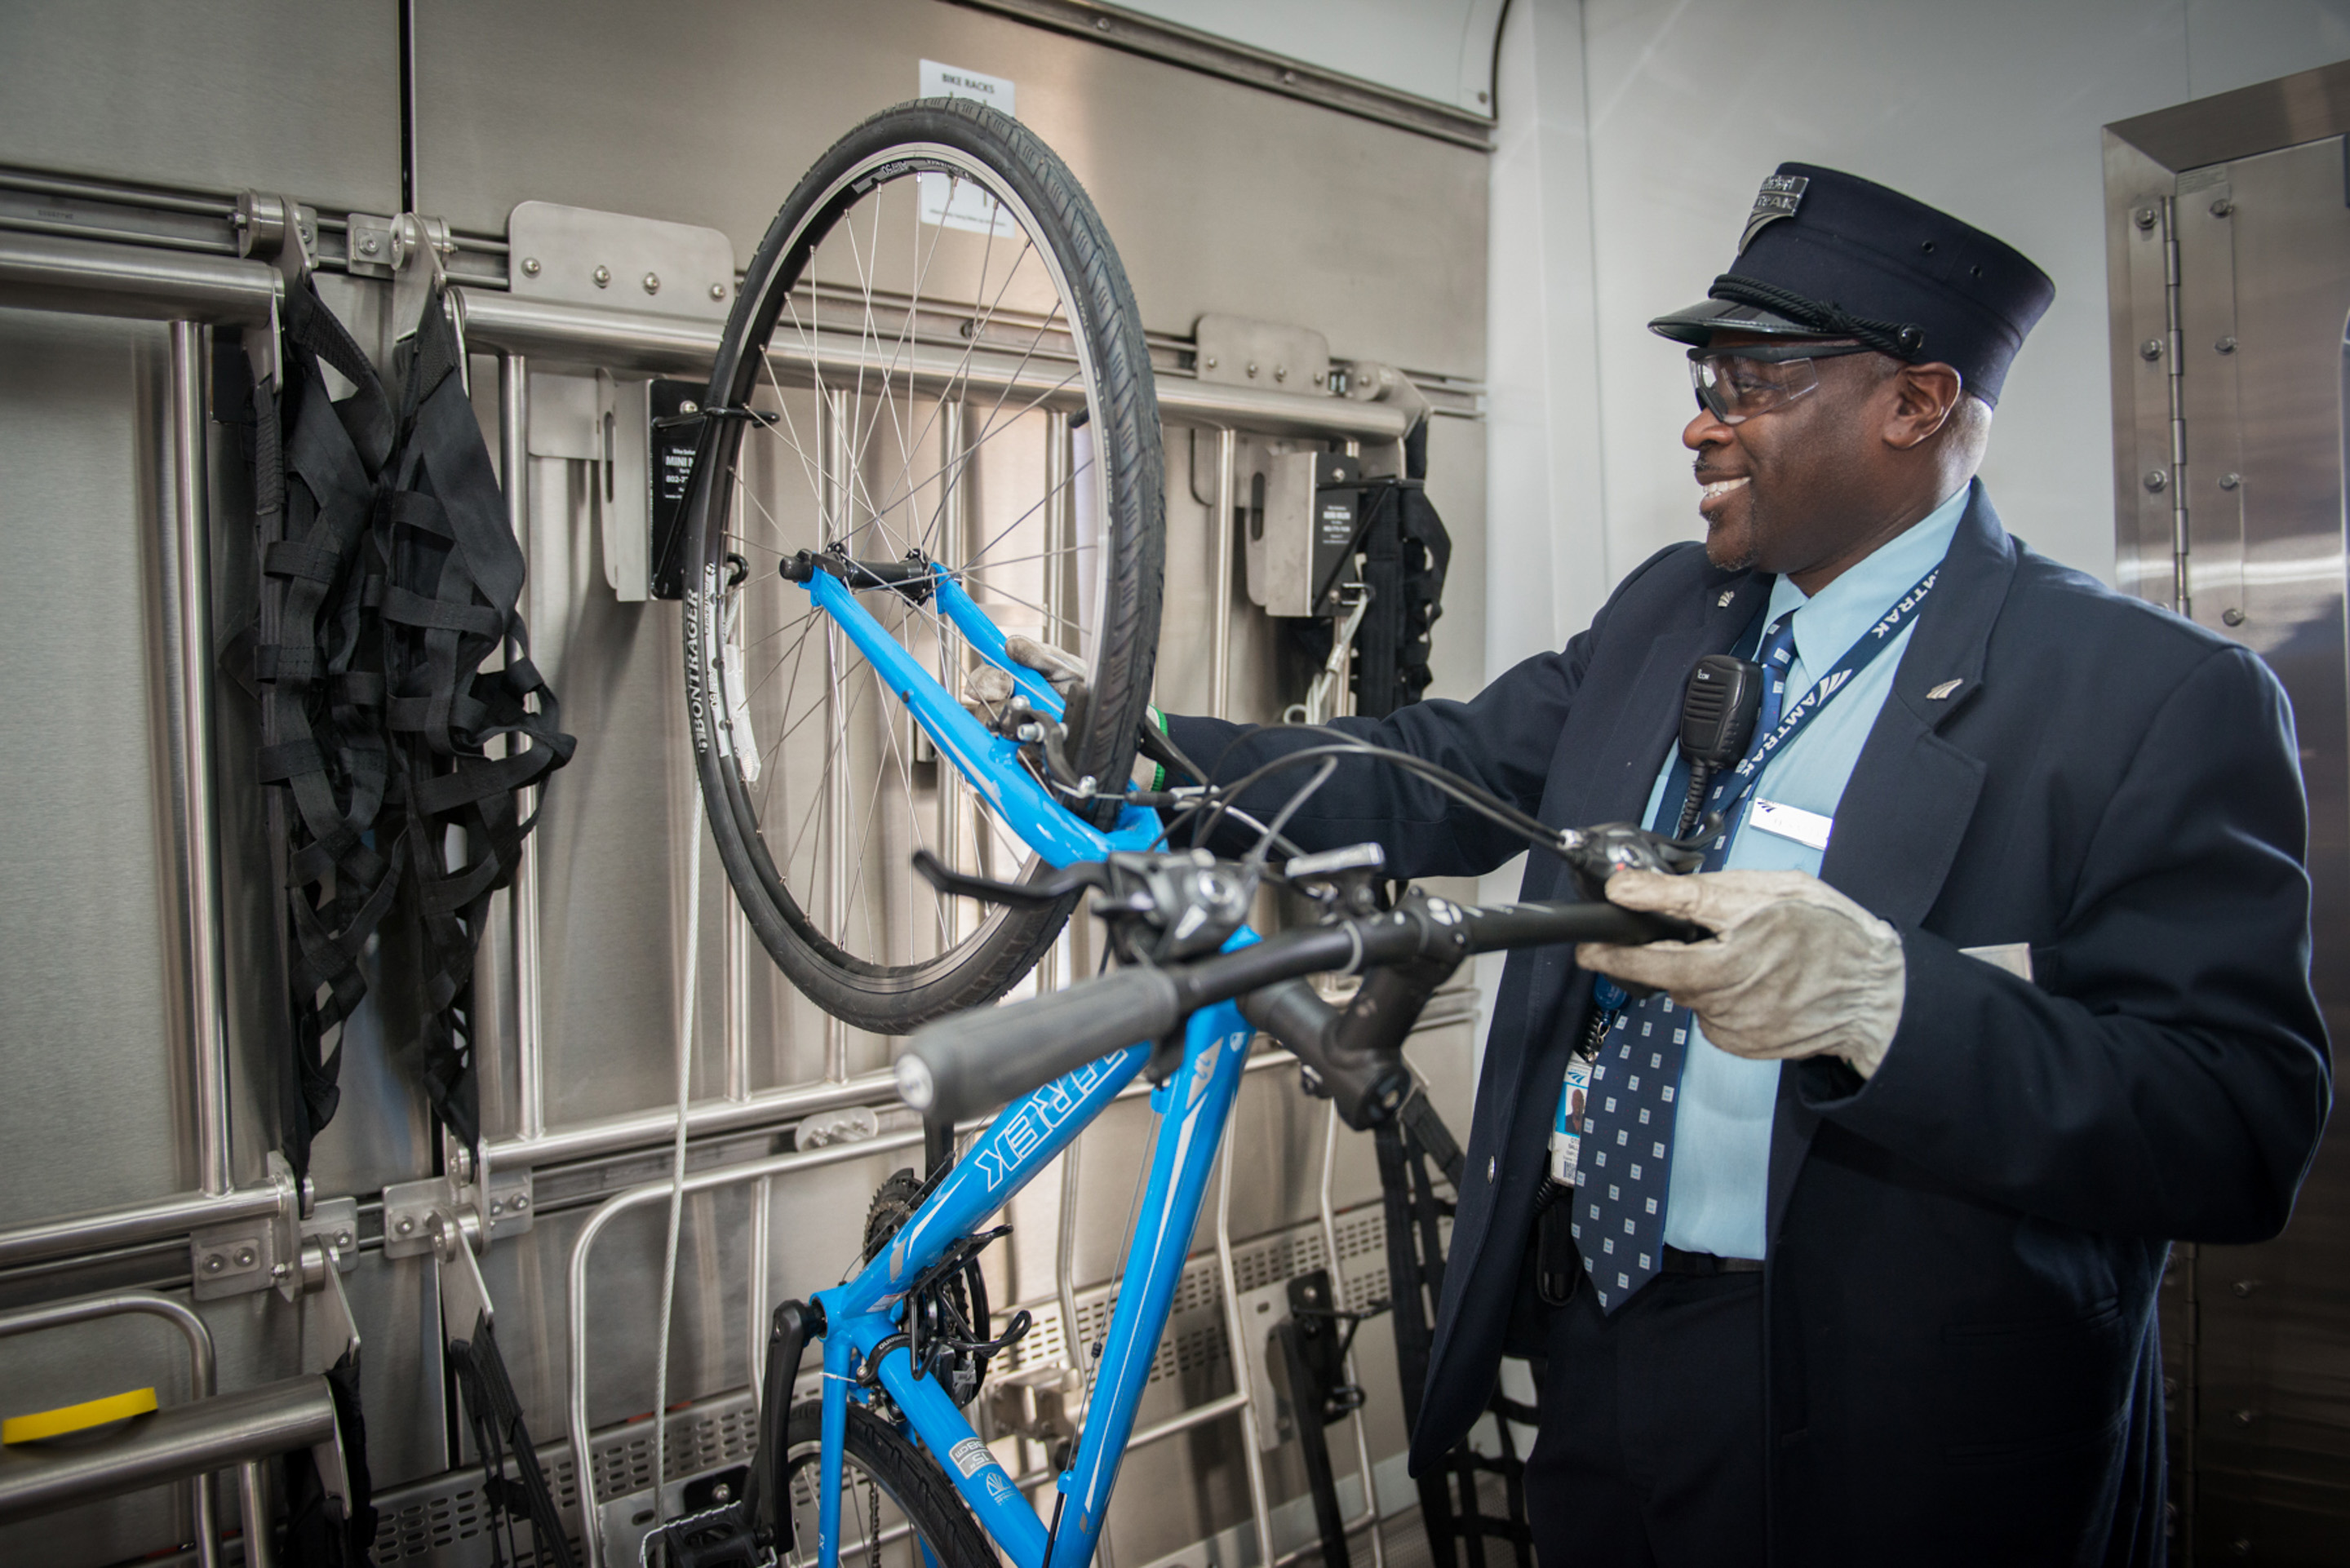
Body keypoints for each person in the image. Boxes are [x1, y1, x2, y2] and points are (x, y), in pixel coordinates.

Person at [1145, 166, 2332, 1564]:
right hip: (1607, 1343)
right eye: (1710, 373)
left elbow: (2237, 1124)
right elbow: (1432, 768)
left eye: (1754, 378)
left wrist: (1886, 1005)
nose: (1702, 420)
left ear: (1917, 401)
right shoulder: (1673, 609)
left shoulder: (2143, 695)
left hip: (1897, 1429)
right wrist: (1144, 754)